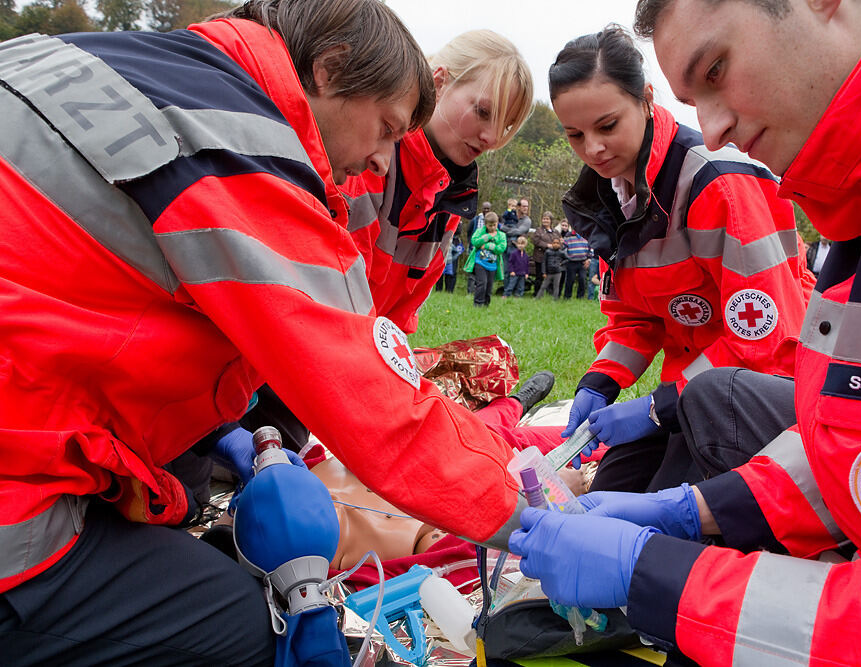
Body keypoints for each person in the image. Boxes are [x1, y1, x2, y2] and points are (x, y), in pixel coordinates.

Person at [0, 2, 528, 663]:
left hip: (40, 402)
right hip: (17, 500)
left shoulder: (85, 61)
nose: (382, 161)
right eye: (386, 129)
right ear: (331, 70)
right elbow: (369, 397)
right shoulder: (242, 143)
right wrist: (536, 521)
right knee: (249, 622)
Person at [509, 0, 861, 664]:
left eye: (717, 69)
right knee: (624, 494)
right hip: (709, 397)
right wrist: (689, 503)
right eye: (574, 136)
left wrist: (662, 567)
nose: (710, 129)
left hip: (724, 385)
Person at [551, 26, 814, 492]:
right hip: (687, 390)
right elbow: (635, 314)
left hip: (759, 390)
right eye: (574, 134)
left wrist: (657, 407)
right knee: (609, 495)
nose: (593, 149)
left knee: (665, 518)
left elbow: (765, 340)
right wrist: (602, 380)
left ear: (646, 99)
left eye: (607, 126)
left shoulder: (717, 183)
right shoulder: (611, 197)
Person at [342, 29, 533, 333]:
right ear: (439, 83)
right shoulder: (373, 157)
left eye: (505, 125)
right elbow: (338, 296)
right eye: (483, 112)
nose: (493, 138)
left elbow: (401, 316)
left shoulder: (454, 194)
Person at [465, 211, 507, 306]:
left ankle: (486, 304)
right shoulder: (480, 231)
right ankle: (478, 304)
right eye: (490, 225)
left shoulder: (501, 235)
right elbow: (475, 242)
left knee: (489, 286)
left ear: (497, 223)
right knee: (482, 283)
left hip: (492, 265)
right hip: (480, 262)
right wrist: (487, 236)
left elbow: (501, 248)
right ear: (485, 224)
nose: (492, 227)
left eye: (494, 225)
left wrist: (488, 245)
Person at [529, 210, 561, 295]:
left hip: (552, 258)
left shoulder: (555, 232)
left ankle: (551, 293)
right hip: (540, 257)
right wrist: (547, 245)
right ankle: (537, 293)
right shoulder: (538, 230)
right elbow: (535, 241)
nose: (545, 221)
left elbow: (559, 241)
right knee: (539, 276)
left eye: (547, 219)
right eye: (544, 219)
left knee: (552, 276)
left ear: (551, 220)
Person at [561, 218, 590, 298]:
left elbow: (590, 248)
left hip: (583, 262)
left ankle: (580, 296)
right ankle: (567, 297)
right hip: (571, 262)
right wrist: (568, 257)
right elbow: (564, 249)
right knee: (570, 280)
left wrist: (589, 259)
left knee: (582, 280)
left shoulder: (586, 234)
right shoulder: (568, 235)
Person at [535, 235, 568, 299]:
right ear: (552, 244)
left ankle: (555, 299)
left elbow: (568, 259)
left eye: (557, 243)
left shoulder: (561, 252)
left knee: (556, 286)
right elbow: (544, 262)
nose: (555, 244)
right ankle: (537, 298)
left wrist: (561, 263)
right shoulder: (547, 252)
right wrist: (544, 272)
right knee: (543, 286)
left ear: (560, 244)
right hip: (549, 272)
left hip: (558, 272)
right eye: (554, 243)